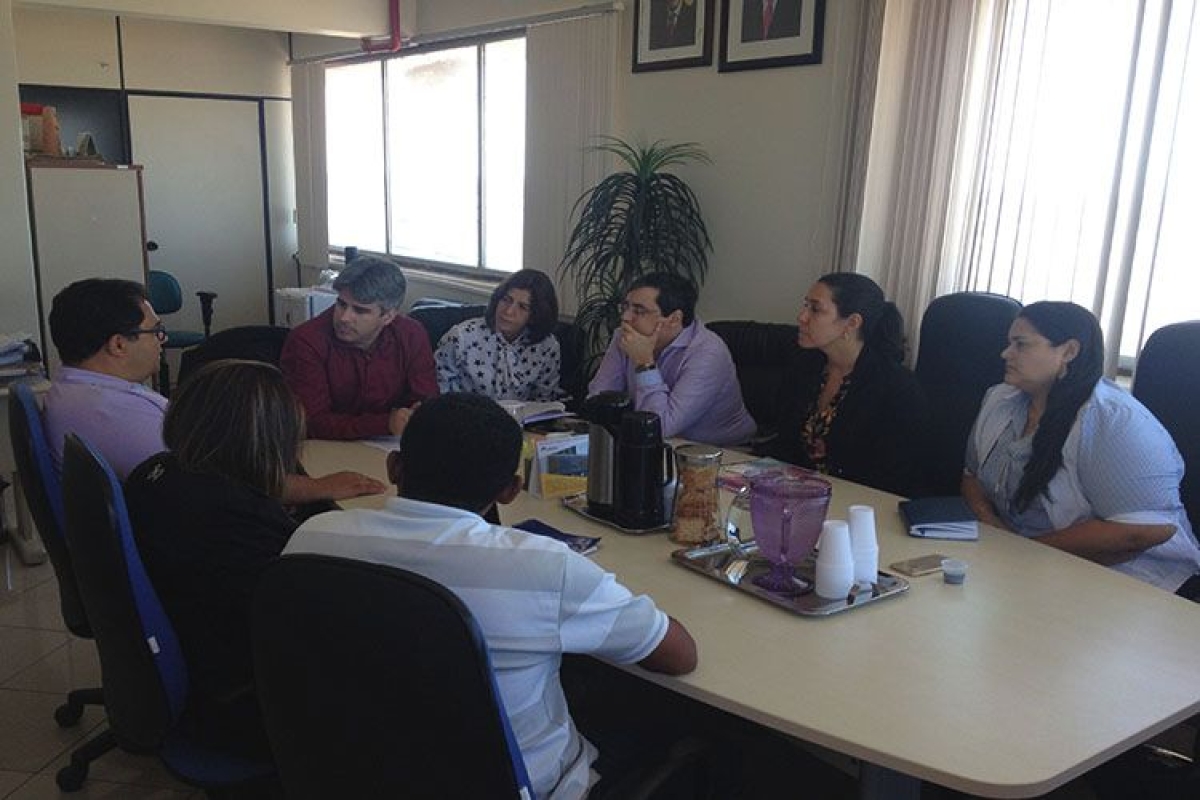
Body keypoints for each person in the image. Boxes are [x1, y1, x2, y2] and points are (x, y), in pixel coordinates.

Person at [284, 393, 698, 800]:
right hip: (517, 786)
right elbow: (678, 656)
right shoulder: (546, 568)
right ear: (511, 490)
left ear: (394, 467)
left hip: (352, 775)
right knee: (685, 737)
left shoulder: (312, 538)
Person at [43, 278, 382, 503]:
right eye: (154, 331)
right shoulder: (110, 413)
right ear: (118, 344)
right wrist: (320, 487)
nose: (162, 341)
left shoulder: (78, 390)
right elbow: (223, 483)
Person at [124, 360, 305, 760]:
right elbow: (296, 622)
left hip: (193, 652)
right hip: (238, 699)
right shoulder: (239, 520)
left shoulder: (155, 471)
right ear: (266, 441)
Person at [962, 301, 1200, 594]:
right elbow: (971, 476)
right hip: (1028, 570)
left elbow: (1145, 530)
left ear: (1068, 352)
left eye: (1020, 345)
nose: (1006, 354)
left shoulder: (1113, 420)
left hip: (1130, 582)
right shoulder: (1001, 399)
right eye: (1009, 343)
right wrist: (991, 525)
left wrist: (1022, 552)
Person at [757, 272, 929, 497]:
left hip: (863, 507)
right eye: (805, 306)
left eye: (815, 309)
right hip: (797, 498)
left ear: (852, 323)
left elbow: (892, 476)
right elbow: (785, 443)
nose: (801, 317)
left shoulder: (895, 387)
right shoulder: (804, 365)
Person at [587, 272, 756, 446]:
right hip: (654, 446)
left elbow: (661, 427)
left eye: (639, 310)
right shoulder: (624, 337)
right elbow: (598, 400)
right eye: (625, 307)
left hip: (723, 454)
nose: (626, 318)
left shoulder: (708, 353)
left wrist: (644, 363)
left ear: (674, 319)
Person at [280, 255, 437, 440]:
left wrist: (414, 415)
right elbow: (311, 422)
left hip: (389, 445)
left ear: (388, 316)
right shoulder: (306, 341)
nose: (344, 317)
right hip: (325, 448)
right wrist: (385, 423)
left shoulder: (411, 334)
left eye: (360, 310)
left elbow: (426, 401)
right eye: (341, 304)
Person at [434, 269, 563, 401]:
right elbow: (438, 393)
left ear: (535, 315)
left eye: (523, 307)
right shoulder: (460, 337)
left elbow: (544, 400)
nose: (508, 311)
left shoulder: (547, 347)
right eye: (506, 300)